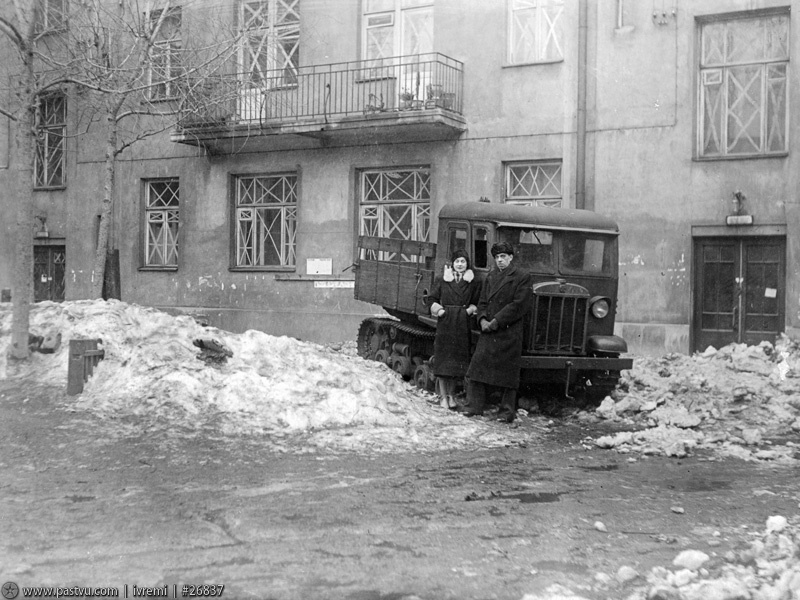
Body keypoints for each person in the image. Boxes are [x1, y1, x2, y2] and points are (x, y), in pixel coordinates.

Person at [460, 242, 533, 423]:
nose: (500, 260)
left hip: (508, 332)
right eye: (497, 257)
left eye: (503, 257)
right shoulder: (491, 276)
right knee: (477, 368)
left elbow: (518, 305)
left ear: (511, 258)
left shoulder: (522, 277)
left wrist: (496, 321)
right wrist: (482, 319)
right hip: (489, 330)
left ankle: (506, 412)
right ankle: (473, 406)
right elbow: (483, 301)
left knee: (508, 376)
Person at [427, 249, 480, 409]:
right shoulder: (442, 279)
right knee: (444, 362)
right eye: (457, 261)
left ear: (467, 264)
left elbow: (477, 300)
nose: (460, 264)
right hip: (446, 323)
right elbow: (431, 299)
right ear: (452, 263)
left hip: (462, 324)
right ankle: (443, 397)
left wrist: (470, 310)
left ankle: (451, 396)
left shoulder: (474, 282)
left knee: (456, 364)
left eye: (463, 261)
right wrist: (440, 311)